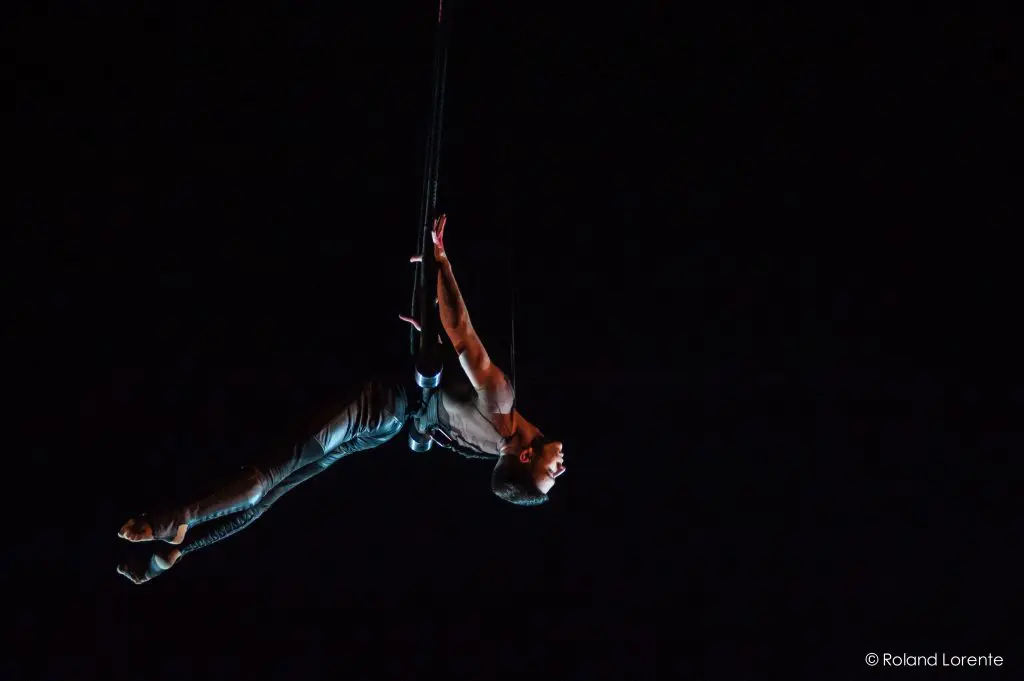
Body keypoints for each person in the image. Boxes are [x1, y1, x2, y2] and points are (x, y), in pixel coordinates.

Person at [117, 215, 566, 584]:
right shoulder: (490, 449)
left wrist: (441, 259)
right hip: (379, 430)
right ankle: (177, 551)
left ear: (527, 455)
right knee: (274, 493)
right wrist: (432, 345)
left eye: (550, 472)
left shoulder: (501, 403)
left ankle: (168, 520)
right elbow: (444, 390)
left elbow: (462, 334)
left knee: (269, 479)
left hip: (375, 411)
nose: (560, 467)